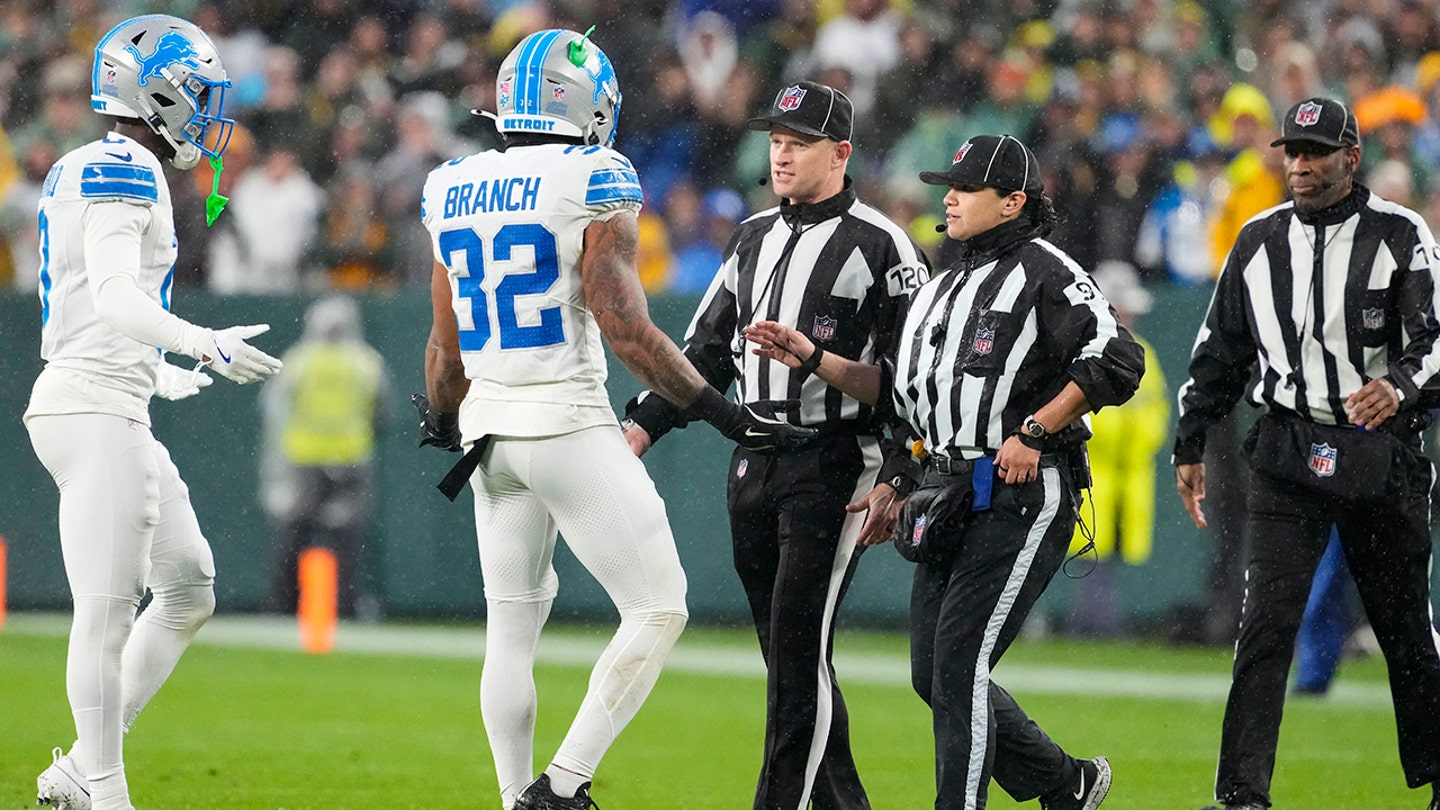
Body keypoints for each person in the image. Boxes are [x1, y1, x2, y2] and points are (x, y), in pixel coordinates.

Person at [414, 29, 813, 810]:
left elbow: (444, 339)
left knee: (511, 631)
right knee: (660, 605)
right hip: (563, 422)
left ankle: (513, 797)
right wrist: (721, 411)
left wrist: (444, 411)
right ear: (585, 104)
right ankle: (559, 787)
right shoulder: (595, 174)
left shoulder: (451, 183)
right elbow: (623, 323)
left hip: (489, 434)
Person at [745, 133, 1144, 810]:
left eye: (964, 188)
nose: (949, 199)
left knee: (958, 669)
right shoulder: (939, 288)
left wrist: (1036, 430)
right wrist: (820, 367)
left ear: (1013, 201)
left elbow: (1117, 359)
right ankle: (1064, 782)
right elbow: (903, 399)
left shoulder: (1046, 271)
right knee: (933, 674)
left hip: (1021, 490)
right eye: (946, 186)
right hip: (947, 491)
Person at [622, 79, 929, 810]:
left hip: (834, 462)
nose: (782, 155)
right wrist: (640, 426)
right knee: (791, 658)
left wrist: (899, 473)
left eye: (799, 143)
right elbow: (703, 351)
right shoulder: (753, 234)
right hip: (754, 458)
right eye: (777, 142)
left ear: (841, 153)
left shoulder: (882, 245)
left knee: (795, 656)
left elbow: (913, 381)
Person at [24, 15, 283, 810]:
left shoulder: (95, 162)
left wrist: (155, 371)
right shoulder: (126, 169)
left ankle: (79, 771)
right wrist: (202, 344)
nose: (206, 113)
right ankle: (103, 791)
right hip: (93, 407)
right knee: (105, 615)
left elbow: (87, 301)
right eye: (196, 94)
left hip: (104, 393)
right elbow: (109, 293)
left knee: (188, 586)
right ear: (157, 92)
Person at [1173, 97, 1440, 810]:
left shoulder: (1400, 233)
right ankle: (1241, 796)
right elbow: (1219, 351)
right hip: (1289, 451)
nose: (1300, 164)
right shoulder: (1258, 240)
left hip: (1379, 454)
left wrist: (1401, 386)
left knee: (1407, 631)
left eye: (1316, 151)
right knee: (1264, 626)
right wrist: (1191, 438)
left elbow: (1436, 340)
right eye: (1292, 151)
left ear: (1351, 157)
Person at [260, 295, 391, 620]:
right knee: (347, 539)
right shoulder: (366, 362)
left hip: (303, 459)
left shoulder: (299, 360)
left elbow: (273, 409)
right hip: (350, 459)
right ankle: (344, 607)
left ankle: (284, 605)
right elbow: (382, 413)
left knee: (294, 535)